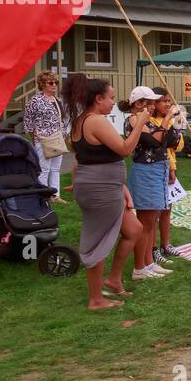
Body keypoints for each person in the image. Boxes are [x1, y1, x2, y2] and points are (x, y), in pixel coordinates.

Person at [64, 74, 147, 311]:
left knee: (134, 229)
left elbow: (82, 160)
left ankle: (113, 279)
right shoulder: (95, 120)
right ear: (98, 99)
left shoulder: (82, 119)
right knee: (99, 240)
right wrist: (140, 122)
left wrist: (120, 186)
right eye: (110, 98)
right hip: (100, 189)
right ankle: (96, 299)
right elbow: (124, 149)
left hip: (102, 185)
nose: (113, 102)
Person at [123, 86, 177, 281]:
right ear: (139, 104)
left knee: (152, 221)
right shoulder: (134, 120)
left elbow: (167, 140)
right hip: (146, 173)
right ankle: (140, 267)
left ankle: (148, 262)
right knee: (145, 223)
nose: (153, 107)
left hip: (157, 171)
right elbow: (154, 142)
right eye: (150, 103)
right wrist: (166, 119)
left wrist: (170, 125)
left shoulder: (146, 120)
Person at [22, 70, 68, 202]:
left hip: (58, 139)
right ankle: (42, 195)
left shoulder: (57, 100)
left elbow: (63, 119)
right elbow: (28, 121)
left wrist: (63, 134)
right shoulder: (35, 100)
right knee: (44, 168)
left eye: (56, 82)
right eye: (51, 83)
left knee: (56, 168)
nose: (54, 85)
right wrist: (35, 137)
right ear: (42, 84)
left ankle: (55, 195)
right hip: (43, 140)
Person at [150, 87, 182, 267]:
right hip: (159, 168)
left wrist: (177, 126)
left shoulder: (168, 121)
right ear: (154, 104)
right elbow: (160, 145)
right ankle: (153, 248)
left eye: (169, 101)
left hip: (170, 167)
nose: (168, 104)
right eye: (164, 101)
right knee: (155, 211)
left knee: (167, 208)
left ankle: (165, 244)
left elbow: (178, 146)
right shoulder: (152, 121)